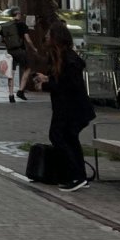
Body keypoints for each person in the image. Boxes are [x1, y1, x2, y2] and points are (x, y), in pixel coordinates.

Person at [33, 19, 95, 192]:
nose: (45, 39)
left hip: (73, 109)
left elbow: (69, 85)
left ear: (56, 38)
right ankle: (78, 175)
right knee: (69, 139)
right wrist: (46, 79)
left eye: (48, 36)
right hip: (66, 108)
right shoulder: (60, 57)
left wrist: (45, 85)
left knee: (59, 136)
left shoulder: (69, 59)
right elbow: (62, 80)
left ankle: (76, 175)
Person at [0, 8, 30, 100]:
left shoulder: (6, 26)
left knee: (11, 73)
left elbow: (1, 40)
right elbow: (27, 39)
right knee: (27, 68)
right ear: (18, 14)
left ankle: (11, 95)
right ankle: (20, 90)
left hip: (10, 51)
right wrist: (33, 48)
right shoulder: (22, 25)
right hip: (21, 50)